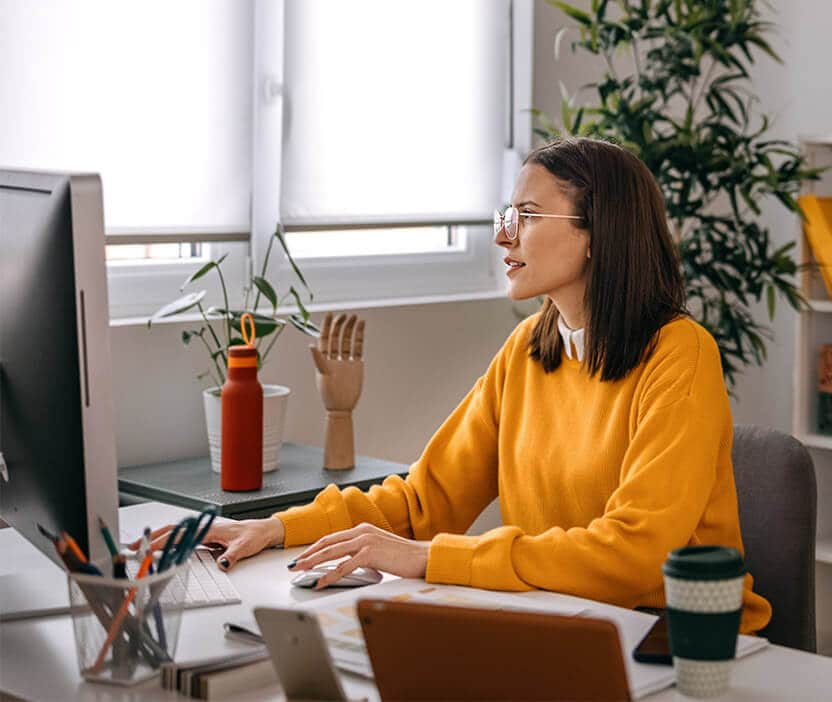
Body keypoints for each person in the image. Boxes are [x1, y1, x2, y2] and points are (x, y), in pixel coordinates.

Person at [136, 137, 771, 634]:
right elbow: (422, 501)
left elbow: (636, 554)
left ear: (598, 233)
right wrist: (276, 528)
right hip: (559, 627)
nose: (503, 234)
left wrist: (431, 558)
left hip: (675, 647)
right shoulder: (529, 349)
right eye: (506, 214)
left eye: (525, 214)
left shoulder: (679, 354)